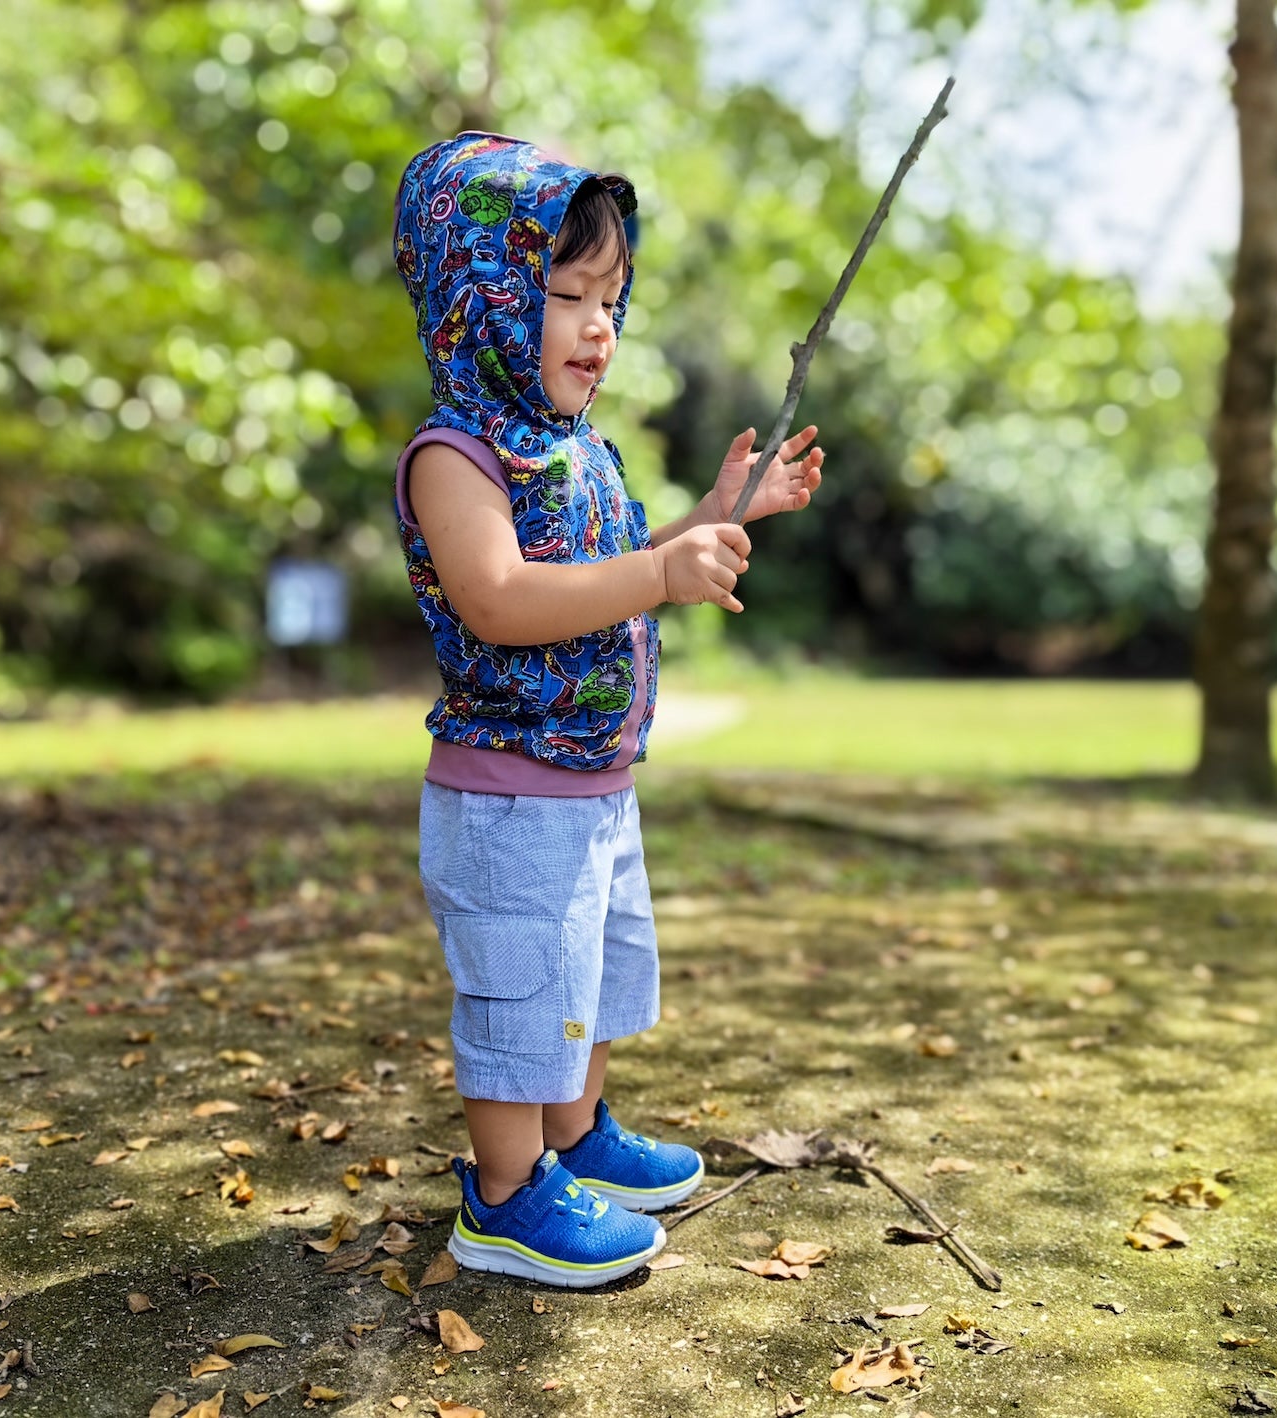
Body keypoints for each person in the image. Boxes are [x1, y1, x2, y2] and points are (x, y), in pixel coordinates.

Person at [392, 132, 823, 1287]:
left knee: (583, 975)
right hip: (507, 795)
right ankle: (503, 1193)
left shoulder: (570, 449)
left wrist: (717, 512)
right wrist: (664, 574)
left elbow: (620, 559)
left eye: (613, 300)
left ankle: (575, 1140)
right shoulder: (460, 455)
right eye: (567, 294)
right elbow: (502, 599)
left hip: (592, 785)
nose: (598, 326)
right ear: (478, 298)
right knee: (522, 987)